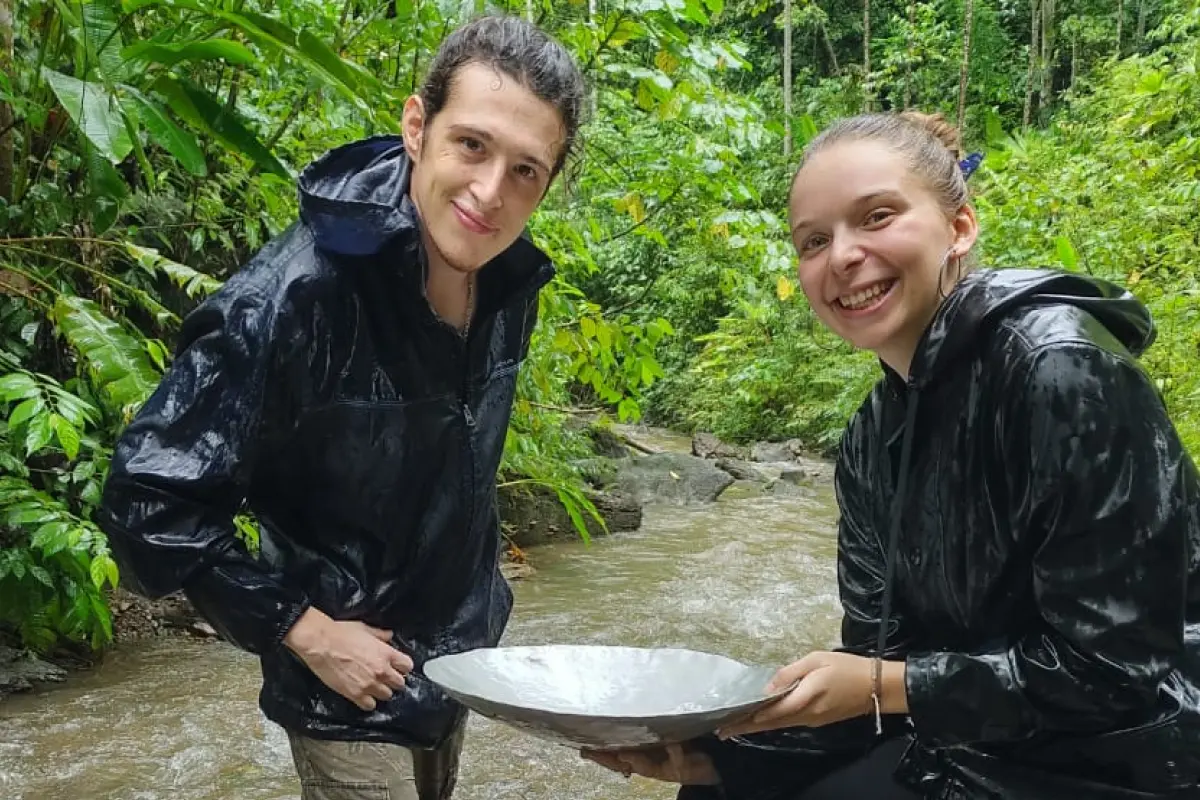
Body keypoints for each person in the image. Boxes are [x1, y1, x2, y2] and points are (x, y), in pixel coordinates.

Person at [583, 110, 1200, 798]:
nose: (842, 256)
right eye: (814, 240)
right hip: (981, 740)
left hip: (1140, 749)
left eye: (876, 217)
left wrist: (883, 684)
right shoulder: (870, 441)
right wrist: (721, 757)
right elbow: (884, 664)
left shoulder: (1062, 371)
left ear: (959, 227)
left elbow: (1116, 671)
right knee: (719, 789)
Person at [98, 15, 585, 800]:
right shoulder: (293, 300)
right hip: (345, 687)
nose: (491, 191)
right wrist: (306, 631)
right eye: (472, 145)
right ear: (417, 127)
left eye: (525, 170)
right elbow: (146, 501)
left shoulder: (508, 282)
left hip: (457, 663)